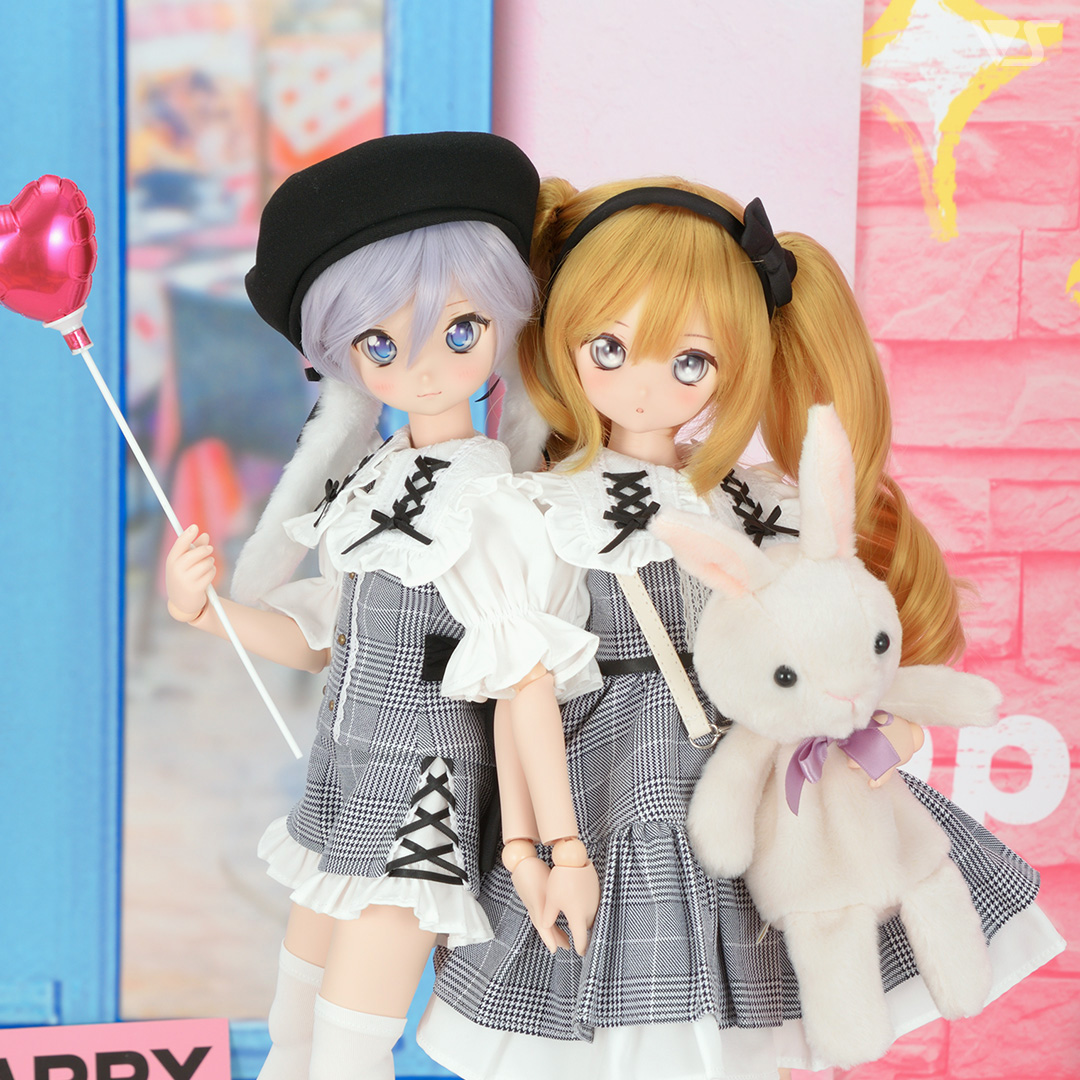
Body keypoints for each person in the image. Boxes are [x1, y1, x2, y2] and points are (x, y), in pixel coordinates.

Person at [419, 176, 1065, 1079]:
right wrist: (535, 846)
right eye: (610, 348)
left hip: (756, 776)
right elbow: (518, 690)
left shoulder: (755, 505)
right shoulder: (542, 511)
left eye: (690, 361)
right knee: (629, 1014)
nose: (646, 385)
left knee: (765, 994)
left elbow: (812, 638)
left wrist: (865, 714)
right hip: (612, 783)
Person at [163, 133, 597, 1080]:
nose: (426, 368)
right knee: (293, 1022)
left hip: (422, 801)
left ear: (501, 321)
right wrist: (207, 615)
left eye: (460, 331)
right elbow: (329, 635)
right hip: (339, 784)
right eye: (381, 344)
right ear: (347, 355)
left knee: (350, 1044)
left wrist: (552, 848)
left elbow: (525, 685)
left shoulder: (497, 505)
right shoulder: (371, 482)